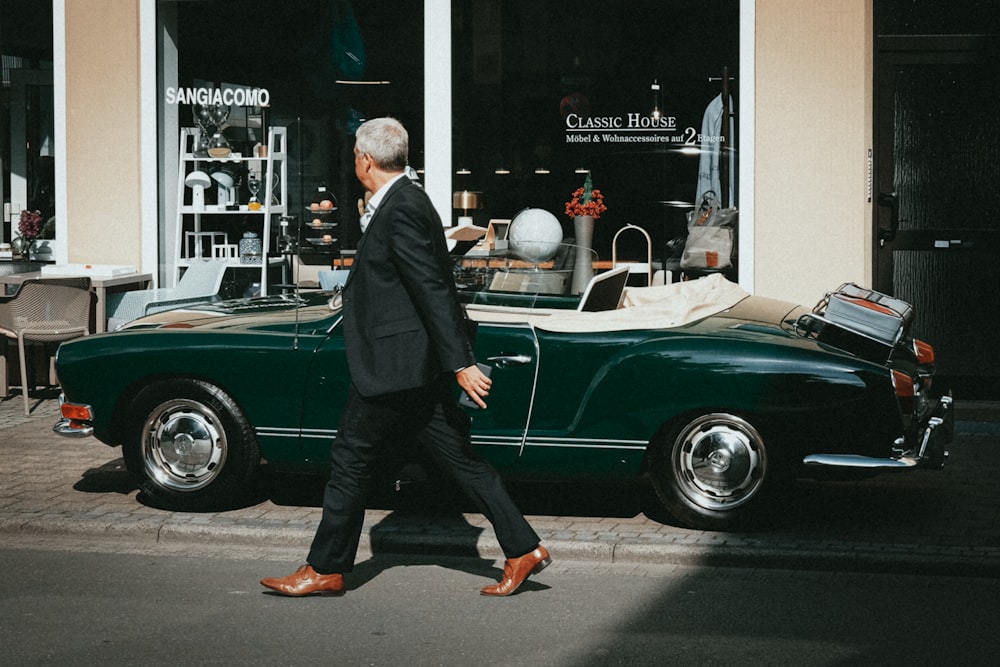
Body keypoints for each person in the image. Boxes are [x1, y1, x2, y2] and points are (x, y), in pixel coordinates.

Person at [261, 117, 550, 598]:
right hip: (415, 363)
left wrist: (460, 363)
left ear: (365, 160)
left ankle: (325, 568)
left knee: (350, 459)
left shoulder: (401, 208)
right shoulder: (401, 202)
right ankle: (523, 549)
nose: (354, 160)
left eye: (355, 153)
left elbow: (433, 289)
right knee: (459, 459)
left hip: (397, 365)